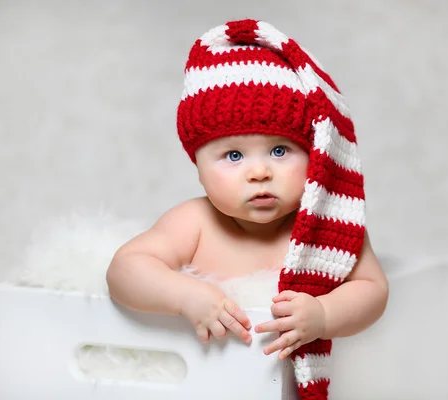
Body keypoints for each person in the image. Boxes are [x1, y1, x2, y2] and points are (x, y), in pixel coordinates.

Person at [106, 18, 389, 399]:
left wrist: (323, 315)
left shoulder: (328, 226)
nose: (259, 172)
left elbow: (372, 290)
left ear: (316, 154)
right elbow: (124, 270)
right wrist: (186, 295)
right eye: (233, 155)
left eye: (279, 150)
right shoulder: (194, 222)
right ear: (198, 166)